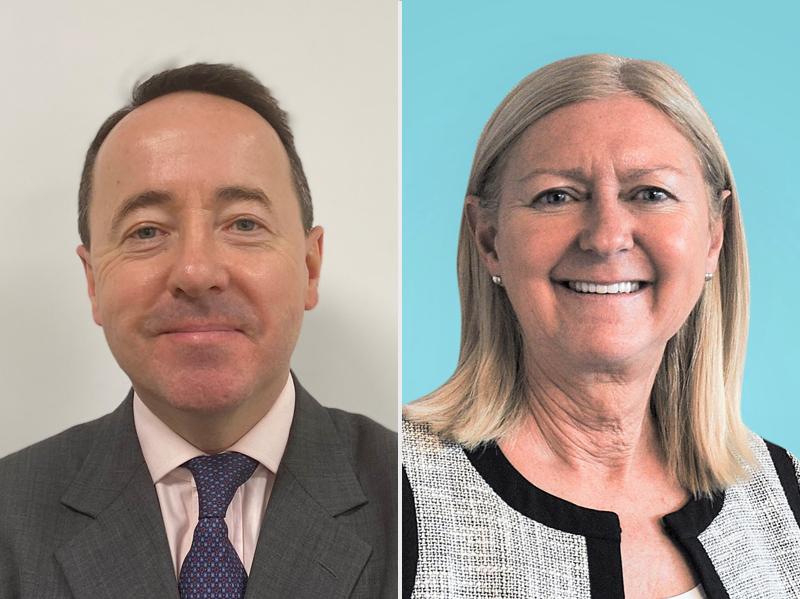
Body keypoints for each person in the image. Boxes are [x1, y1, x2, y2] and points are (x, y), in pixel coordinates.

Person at [402, 54, 800, 599]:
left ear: (714, 236)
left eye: (651, 194)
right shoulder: (391, 490)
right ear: (489, 239)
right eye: (557, 196)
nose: (606, 237)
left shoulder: (786, 495)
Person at [0, 63, 396, 599]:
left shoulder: (417, 496)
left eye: (244, 223)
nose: (195, 271)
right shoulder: (10, 513)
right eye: (146, 231)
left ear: (310, 267)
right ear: (93, 281)